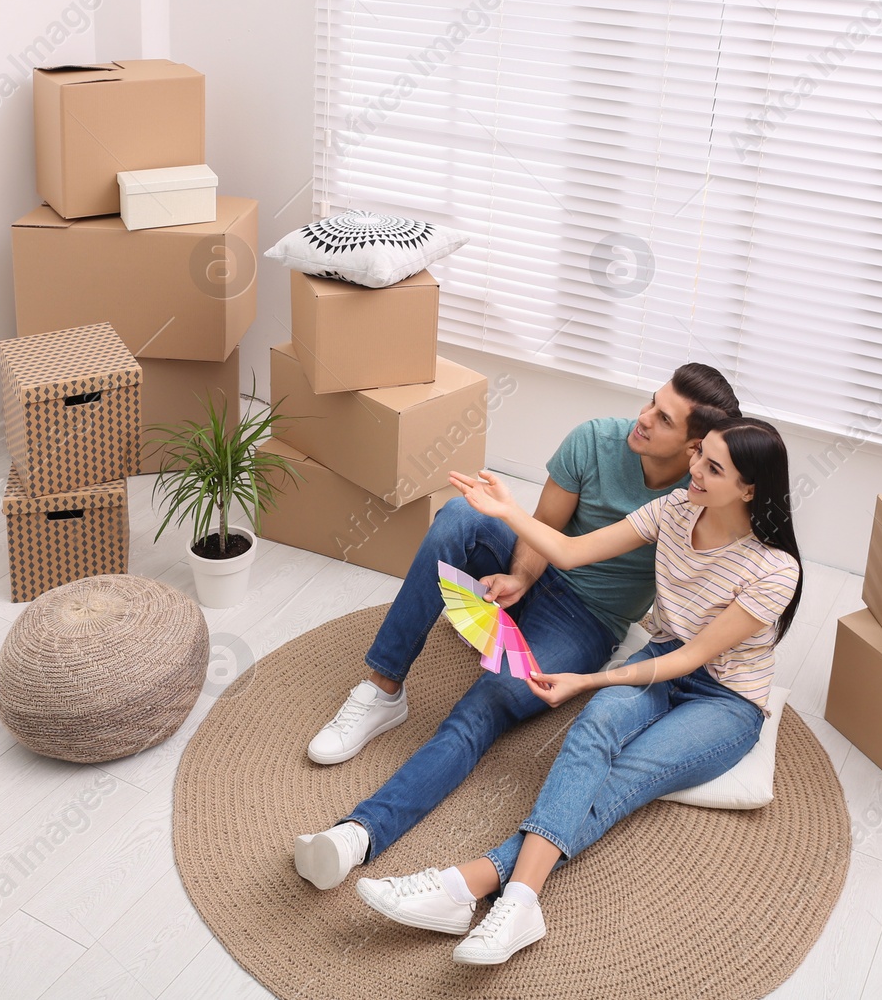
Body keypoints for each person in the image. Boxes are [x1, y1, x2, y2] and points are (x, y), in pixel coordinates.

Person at [354, 415, 802, 966]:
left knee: (619, 779)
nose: (695, 471)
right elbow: (571, 552)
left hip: (724, 699)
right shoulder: (675, 510)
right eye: (699, 456)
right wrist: (508, 511)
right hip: (661, 657)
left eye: (714, 467)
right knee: (595, 726)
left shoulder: (774, 570)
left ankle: (470, 887)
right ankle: (515, 902)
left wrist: (590, 679)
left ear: (749, 488)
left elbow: (693, 659)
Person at [293, 364, 742, 891]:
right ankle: (383, 688)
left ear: (695, 448)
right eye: (650, 402)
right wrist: (521, 577)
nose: (641, 419)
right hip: (533, 568)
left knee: (487, 703)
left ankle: (359, 834)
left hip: (585, 621)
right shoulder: (596, 440)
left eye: (662, 419)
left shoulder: (692, 504)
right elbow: (547, 528)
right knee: (460, 517)